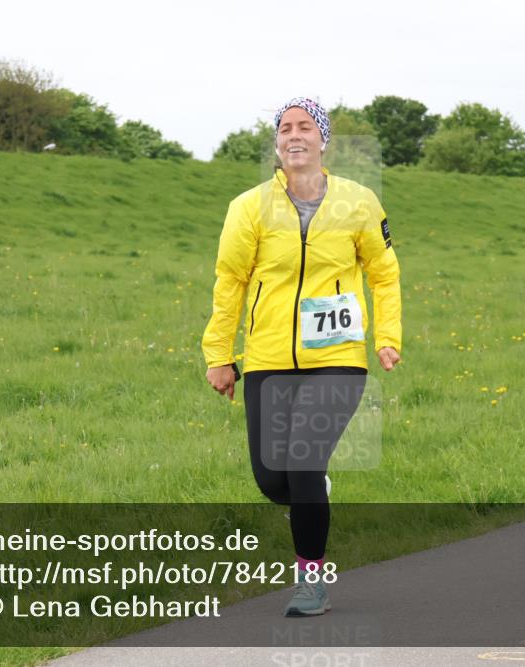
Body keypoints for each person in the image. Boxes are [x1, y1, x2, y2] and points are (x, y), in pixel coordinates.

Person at [202, 96, 402, 616]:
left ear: (323, 140)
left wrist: (387, 336)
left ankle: (311, 582)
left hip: (337, 356)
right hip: (268, 359)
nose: (294, 134)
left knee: (304, 459)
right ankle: (312, 492)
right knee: (275, 480)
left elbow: (383, 274)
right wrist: (219, 354)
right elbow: (230, 281)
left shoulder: (359, 202)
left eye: (305, 126)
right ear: (277, 143)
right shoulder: (249, 207)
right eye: (285, 127)